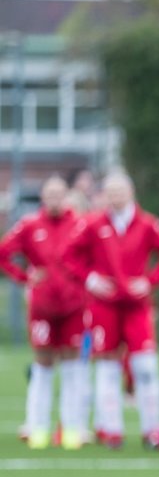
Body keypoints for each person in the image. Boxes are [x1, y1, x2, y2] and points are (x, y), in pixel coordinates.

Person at [65, 172, 159, 448]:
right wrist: (91, 279)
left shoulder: (148, 223)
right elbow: (69, 256)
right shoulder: (93, 224)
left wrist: (149, 282)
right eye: (111, 191)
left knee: (145, 367)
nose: (116, 196)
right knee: (107, 366)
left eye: (121, 191)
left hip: (137, 307)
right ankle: (111, 429)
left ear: (131, 192)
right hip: (104, 306)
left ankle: (152, 430)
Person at [0, 176, 89, 449]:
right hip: (42, 309)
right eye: (49, 194)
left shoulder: (81, 225)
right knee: (43, 365)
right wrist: (24, 276)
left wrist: (87, 280)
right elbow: (4, 253)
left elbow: (98, 256)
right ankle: (37, 427)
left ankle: (71, 428)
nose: (54, 200)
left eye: (59, 195)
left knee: (73, 366)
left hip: (74, 307)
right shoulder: (29, 225)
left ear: (66, 197)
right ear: (43, 197)